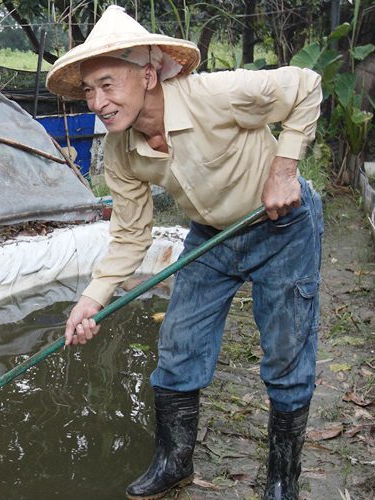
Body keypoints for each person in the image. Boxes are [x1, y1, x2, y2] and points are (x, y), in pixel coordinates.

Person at [45, 6, 323, 500]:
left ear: (148, 74)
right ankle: (174, 463)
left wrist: (284, 170)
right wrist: (92, 299)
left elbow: (305, 85)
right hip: (210, 237)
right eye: (89, 91)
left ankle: (283, 478)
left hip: (280, 226)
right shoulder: (120, 151)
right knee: (177, 349)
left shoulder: (213, 95)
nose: (98, 102)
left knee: (286, 351)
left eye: (108, 84)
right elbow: (131, 234)